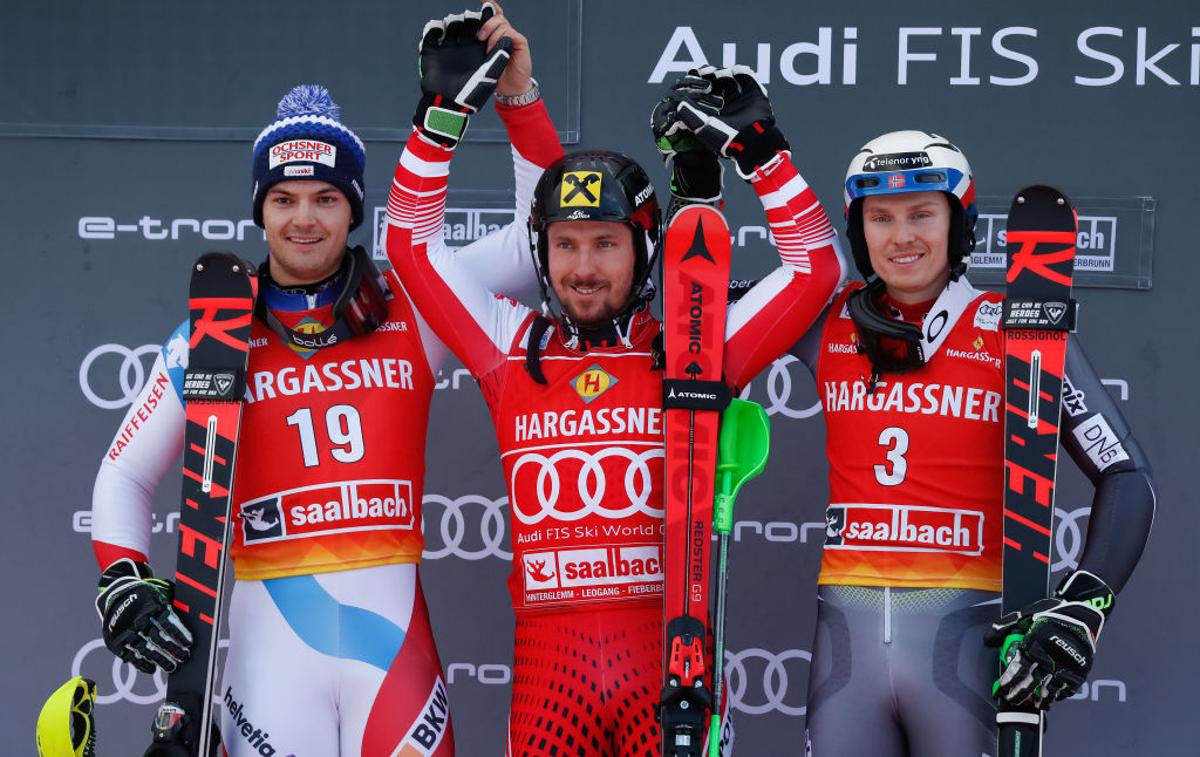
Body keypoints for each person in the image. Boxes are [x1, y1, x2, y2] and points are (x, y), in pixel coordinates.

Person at [88, 11, 558, 751]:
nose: (304, 219)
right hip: (270, 658)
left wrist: (521, 100)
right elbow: (122, 475)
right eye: (284, 199)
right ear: (260, 209)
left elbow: (540, 251)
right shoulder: (214, 337)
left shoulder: (416, 300)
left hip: (395, 652)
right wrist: (124, 578)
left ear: (354, 208)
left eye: (326, 198)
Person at [387, 9, 845, 749]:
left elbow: (816, 268)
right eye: (565, 245)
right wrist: (438, 121)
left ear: (646, 247)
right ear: (541, 252)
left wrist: (764, 152)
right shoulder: (510, 344)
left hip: (670, 675)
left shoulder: (693, 346)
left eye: (606, 242)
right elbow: (410, 247)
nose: (584, 268)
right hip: (547, 682)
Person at [785, 129, 1157, 756]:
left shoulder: (1015, 331)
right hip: (844, 657)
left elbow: (1126, 476)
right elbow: (699, 313)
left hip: (969, 650)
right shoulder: (822, 321)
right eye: (880, 218)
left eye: (922, 214)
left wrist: (1084, 605)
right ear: (858, 232)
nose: (902, 237)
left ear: (961, 226)